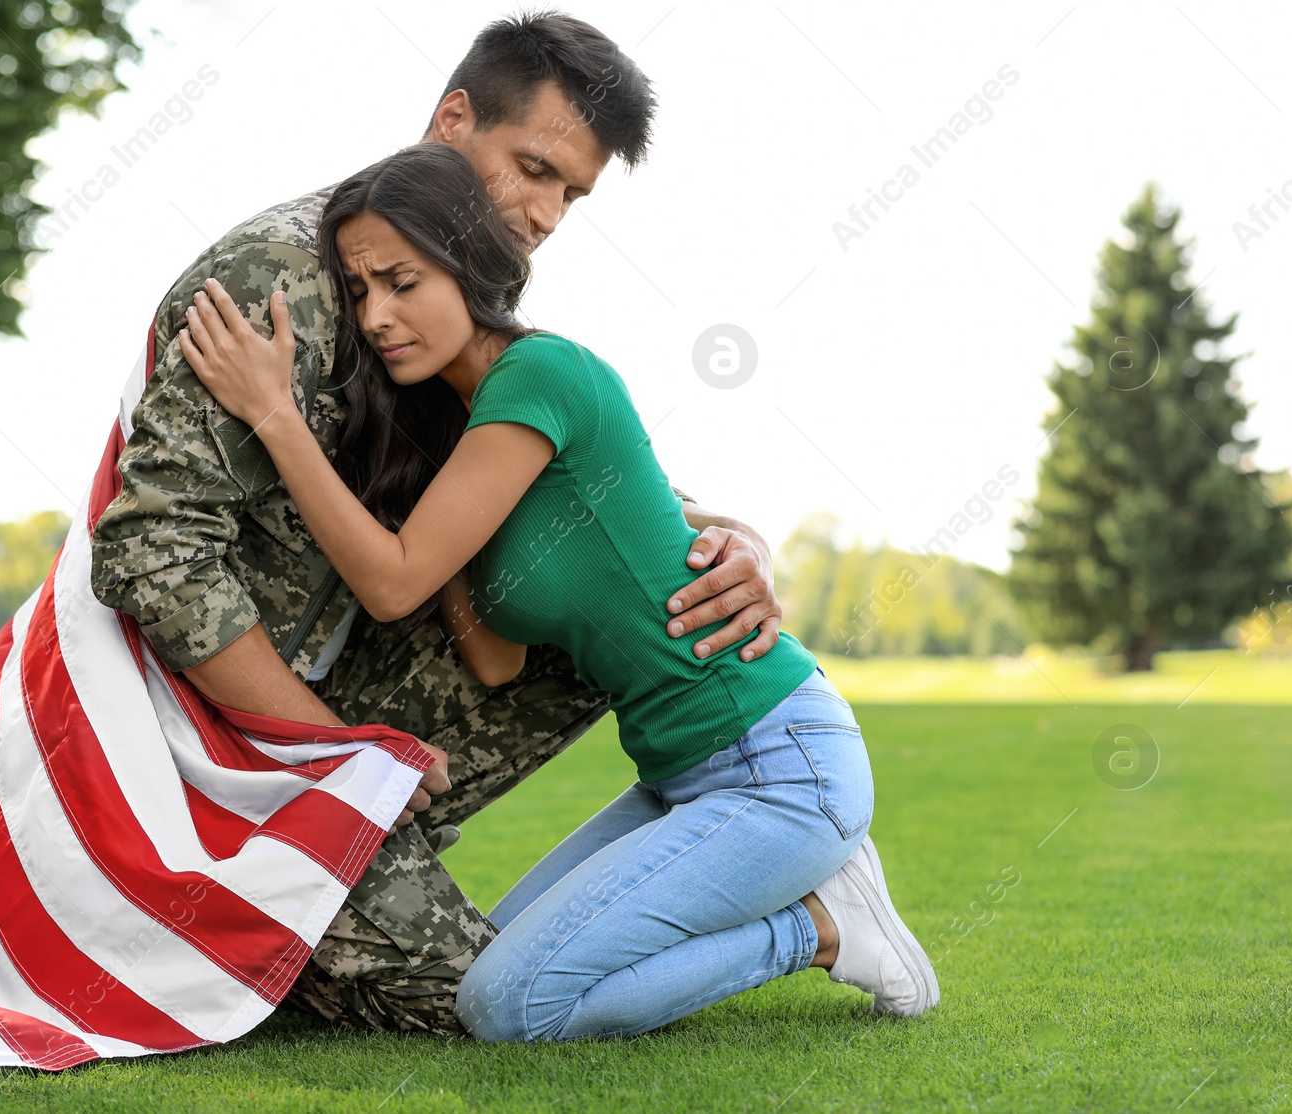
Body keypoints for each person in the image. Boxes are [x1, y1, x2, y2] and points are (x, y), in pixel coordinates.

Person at [90, 10, 789, 1037]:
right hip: (210, 731)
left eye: (571, 195)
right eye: (534, 169)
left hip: (360, 697)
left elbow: (583, 491)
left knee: (606, 578)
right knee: (483, 1003)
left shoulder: (472, 304)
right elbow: (153, 551)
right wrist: (338, 764)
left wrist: (741, 542)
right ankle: (801, 916)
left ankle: (759, 845)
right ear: (452, 120)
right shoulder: (277, 274)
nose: (547, 213)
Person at [175, 141, 941, 1040]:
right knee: (498, 961)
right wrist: (425, 505)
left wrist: (274, 417)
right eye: (357, 293)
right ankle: (810, 899)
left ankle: (817, 928)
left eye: (402, 281)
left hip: (780, 764)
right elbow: (495, 662)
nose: (377, 316)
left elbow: (391, 586)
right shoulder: (474, 441)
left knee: (511, 1005)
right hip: (682, 780)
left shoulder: (543, 376)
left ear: (471, 266)